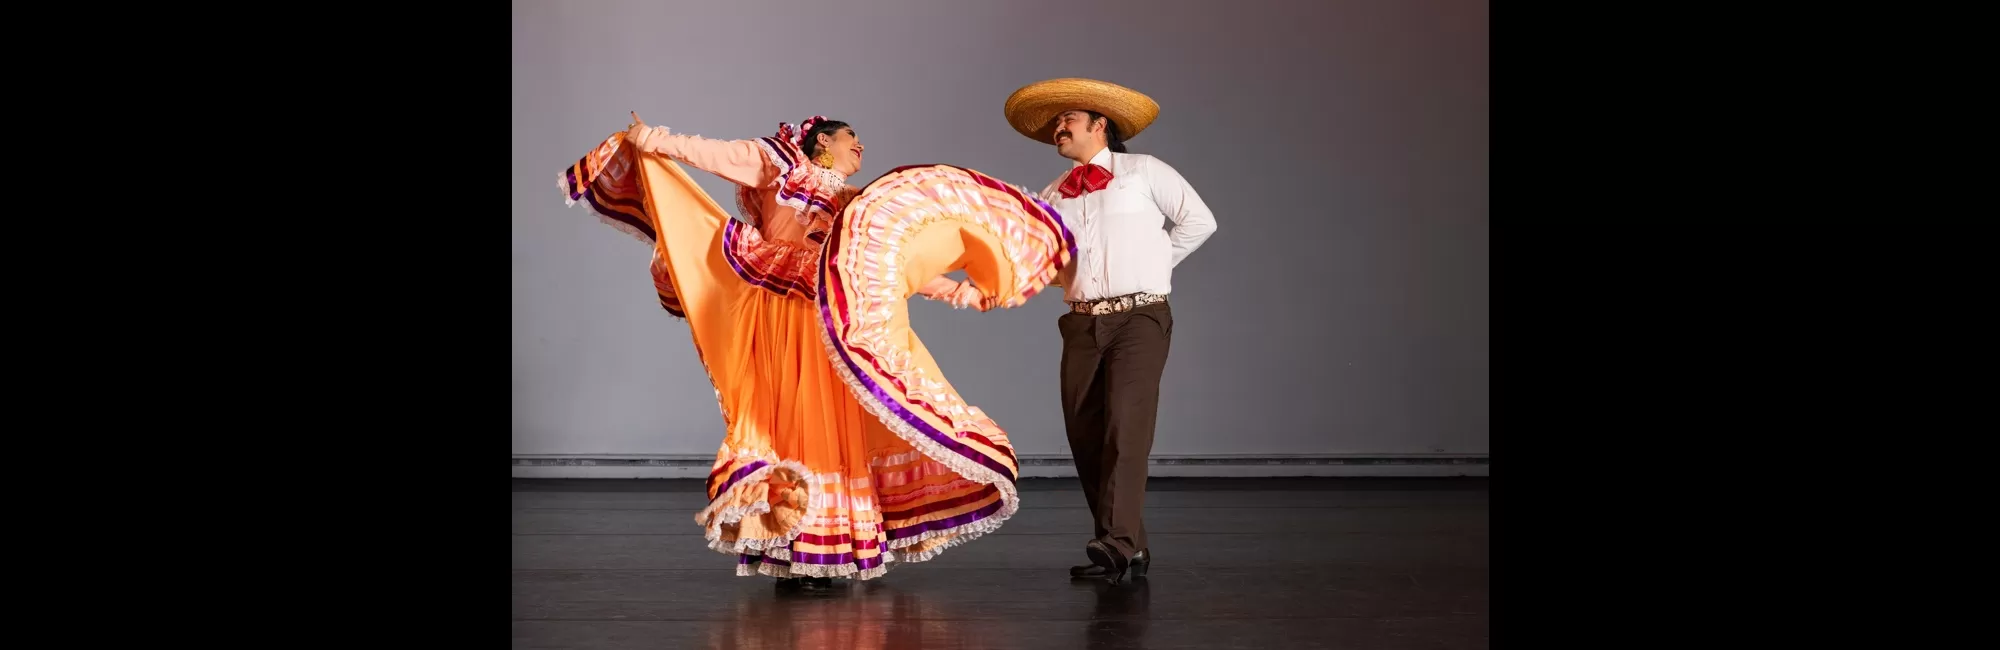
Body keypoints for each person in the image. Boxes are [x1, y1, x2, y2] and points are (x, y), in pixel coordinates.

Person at [556, 113, 1074, 590]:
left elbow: (892, 257)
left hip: (834, 317)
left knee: (836, 421)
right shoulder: (778, 162)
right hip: (783, 311)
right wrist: (657, 141)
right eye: (853, 138)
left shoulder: (853, 203)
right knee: (791, 422)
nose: (862, 146)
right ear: (822, 140)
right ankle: (790, 539)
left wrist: (961, 290)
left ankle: (818, 544)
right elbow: (714, 154)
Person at [1002, 78, 1218, 583]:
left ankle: (1116, 542)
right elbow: (1048, 261)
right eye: (1057, 122)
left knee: (1126, 426)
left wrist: (1154, 264)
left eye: (1067, 120)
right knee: (1085, 433)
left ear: (1100, 125)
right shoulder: (1054, 193)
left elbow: (1198, 221)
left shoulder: (1143, 171)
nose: (1059, 127)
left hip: (1140, 317)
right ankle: (1130, 545)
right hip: (1081, 323)